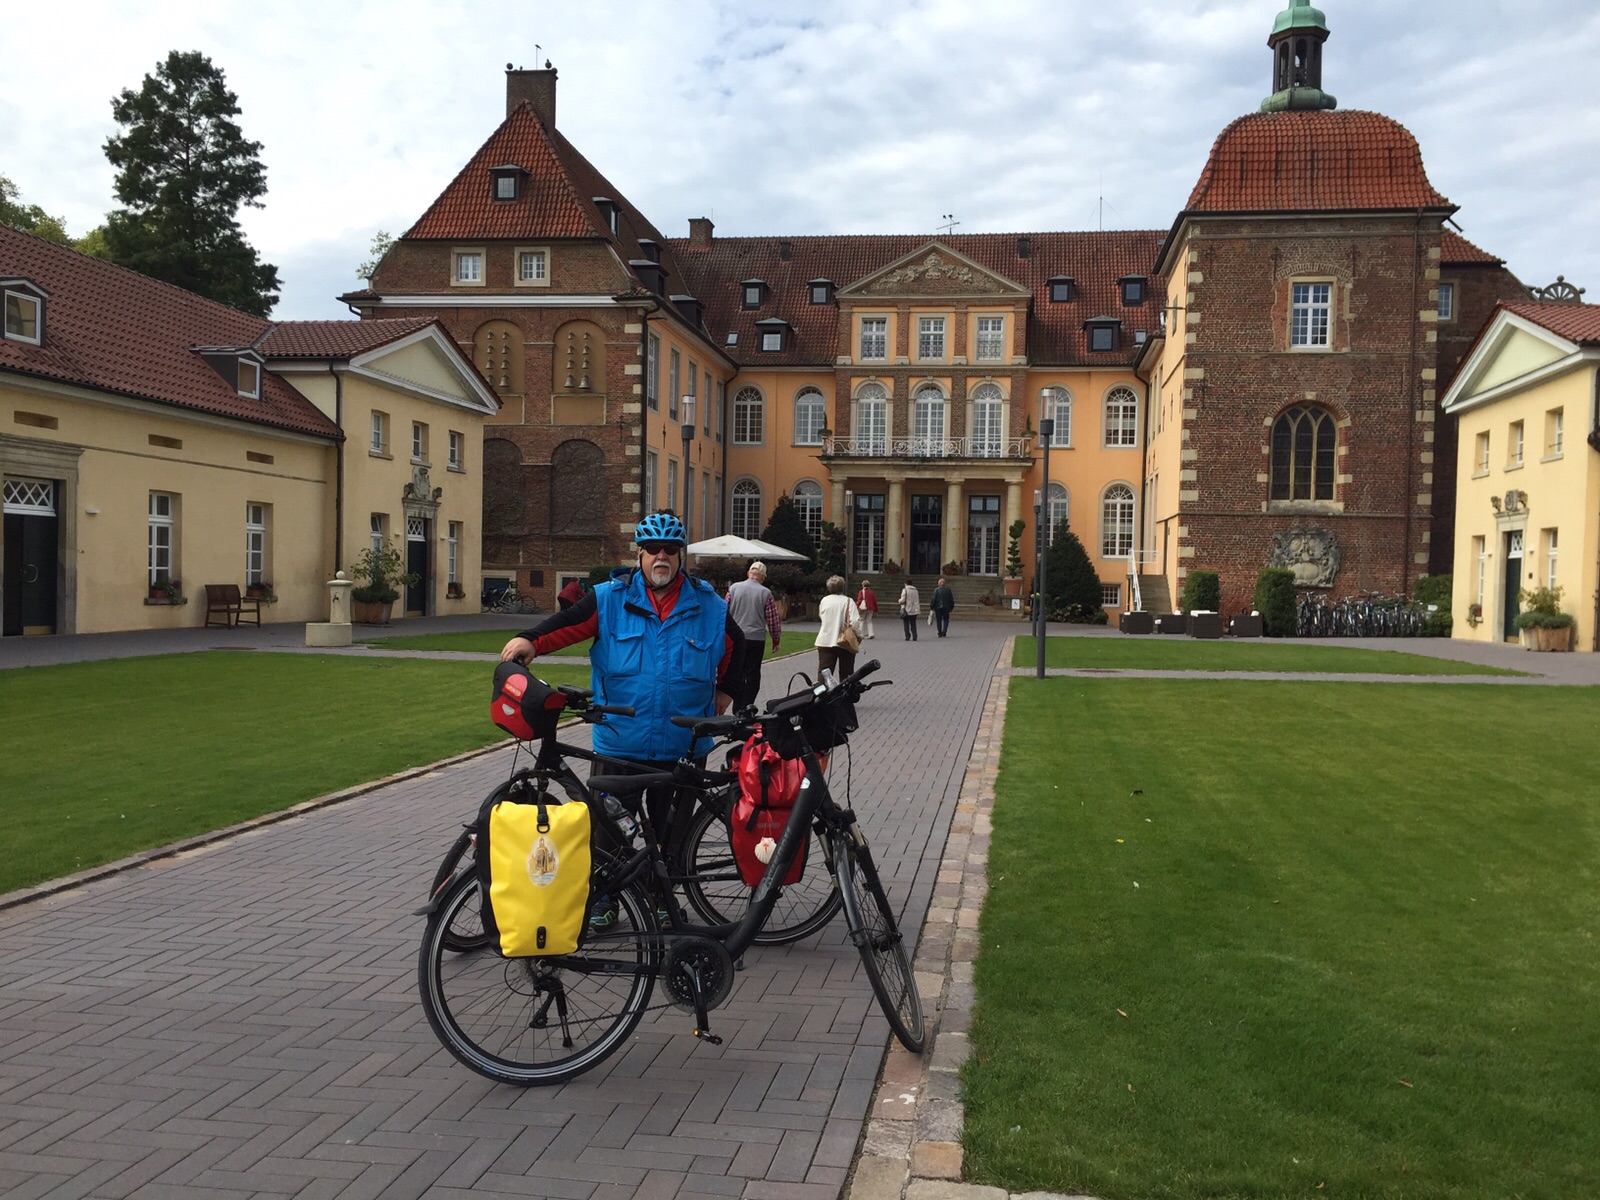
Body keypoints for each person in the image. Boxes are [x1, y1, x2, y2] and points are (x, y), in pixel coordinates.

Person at [500, 511, 744, 923]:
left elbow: (739, 648)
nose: (661, 557)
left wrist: (728, 690)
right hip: (620, 740)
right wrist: (530, 641)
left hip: (683, 743)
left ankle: (663, 900)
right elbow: (566, 624)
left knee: (670, 833)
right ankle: (606, 899)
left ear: (680, 555)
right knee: (609, 830)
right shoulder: (609, 599)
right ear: (640, 554)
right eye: (653, 549)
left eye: (670, 550)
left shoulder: (709, 605)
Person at [724, 560, 782, 711]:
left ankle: (737, 705)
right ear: (763, 577)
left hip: (735, 637)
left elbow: (724, 611)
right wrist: (776, 640)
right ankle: (747, 705)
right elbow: (773, 620)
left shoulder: (734, 588)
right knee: (752, 674)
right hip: (756, 638)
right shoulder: (765, 593)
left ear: (748, 573)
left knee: (737, 671)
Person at [816, 575, 863, 682]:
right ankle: (844, 691)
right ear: (842, 587)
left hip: (825, 641)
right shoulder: (848, 601)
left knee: (824, 673)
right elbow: (855, 622)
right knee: (846, 673)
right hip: (845, 642)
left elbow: (821, 616)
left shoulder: (824, 600)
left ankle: (822, 691)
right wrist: (859, 636)